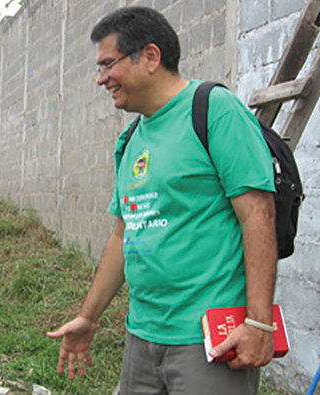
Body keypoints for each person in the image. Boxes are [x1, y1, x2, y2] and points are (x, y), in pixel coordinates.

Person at [46, 6, 278, 394]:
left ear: (150, 56)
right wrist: (89, 317)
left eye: (108, 65)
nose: (101, 79)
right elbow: (123, 237)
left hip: (208, 338)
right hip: (142, 334)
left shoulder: (215, 110)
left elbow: (258, 216)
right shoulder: (131, 139)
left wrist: (258, 323)